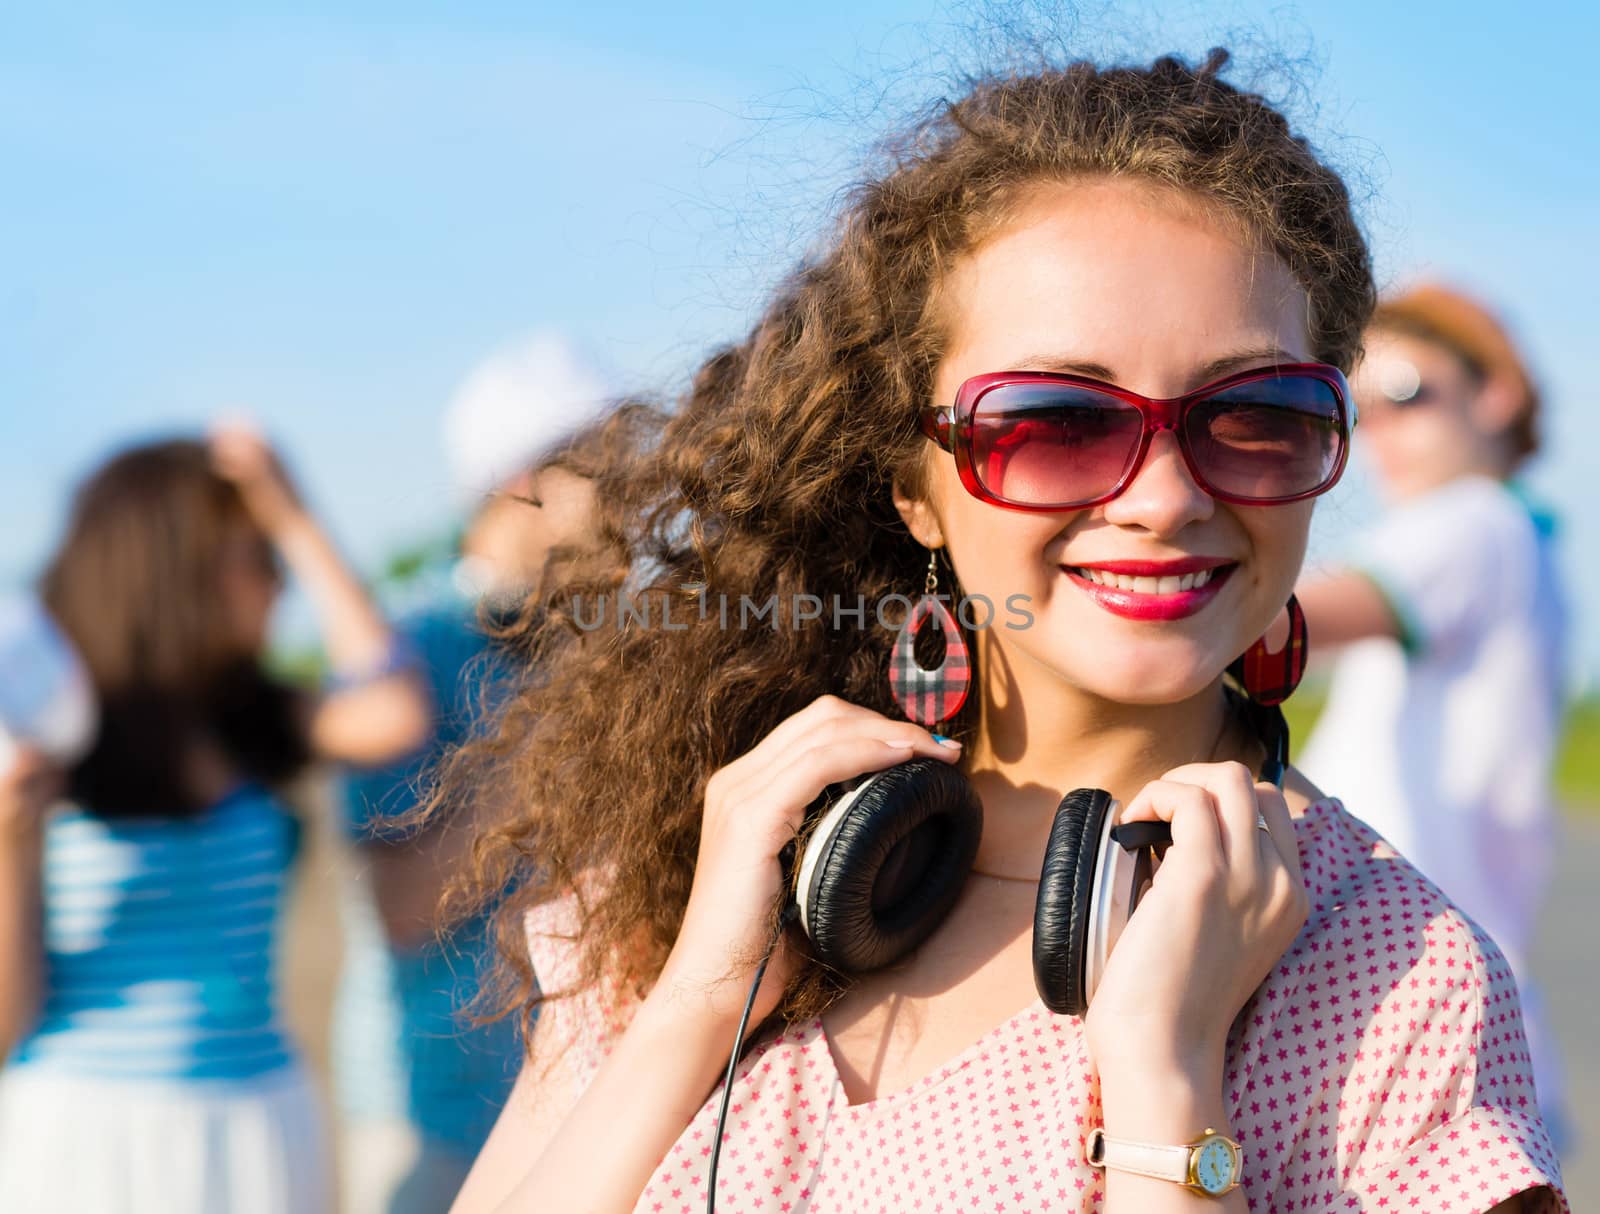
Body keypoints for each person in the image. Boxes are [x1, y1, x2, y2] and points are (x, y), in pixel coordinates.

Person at [445, 50, 1565, 1213]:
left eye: (1255, 415)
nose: (1165, 495)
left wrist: (1167, 1076)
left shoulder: (1390, 972)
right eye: (1056, 420)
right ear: (912, 482)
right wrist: (692, 1002)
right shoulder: (711, 873)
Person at [0, 428, 432, 1214]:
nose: (277, 585)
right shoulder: (45, 731)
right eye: (257, 557)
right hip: (91, 1139)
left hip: (261, 1127)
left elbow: (397, 711)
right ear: (176, 570)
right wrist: (7, 841)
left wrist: (295, 517)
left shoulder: (252, 716)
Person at [333, 338, 610, 1214]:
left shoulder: (599, 644)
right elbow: (402, 908)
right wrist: (544, 749)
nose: (632, 491)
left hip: (575, 1108)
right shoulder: (409, 659)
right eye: (601, 463)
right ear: (518, 483)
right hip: (431, 1124)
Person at [1295, 284, 1572, 1150]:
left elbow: (1278, 624)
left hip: (1416, 1015)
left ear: (1498, 395)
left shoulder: (1470, 523)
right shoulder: (1519, 540)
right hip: (1466, 1009)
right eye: (1358, 408)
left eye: (1409, 392)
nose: (1381, 430)